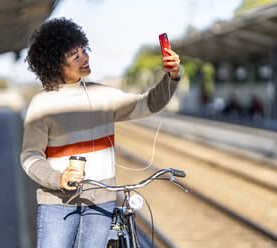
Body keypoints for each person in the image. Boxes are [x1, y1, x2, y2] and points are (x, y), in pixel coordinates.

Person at [20, 17, 181, 248]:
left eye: (84, 50)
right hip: (56, 203)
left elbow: (149, 103)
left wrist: (172, 76)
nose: (85, 57)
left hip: (101, 203)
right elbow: (29, 157)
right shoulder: (41, 104)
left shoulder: (103, 96)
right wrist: (58, 178)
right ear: (55, 64)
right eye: (75, 56)